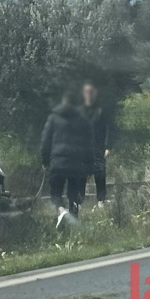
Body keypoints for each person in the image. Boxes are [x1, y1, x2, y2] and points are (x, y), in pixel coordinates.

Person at [40, 89, 94, 227]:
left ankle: (61, 211)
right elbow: (89, 144)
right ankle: (74, 222)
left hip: (57, 161)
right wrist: (89, 165)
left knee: (55, 192)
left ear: (63, 103)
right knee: (74, 194)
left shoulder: (53, 118)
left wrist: (45, 161)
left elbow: (45, 140)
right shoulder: (83, 120)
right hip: (76, 163)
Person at [80, 80, 112, 203]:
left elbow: (107, 128)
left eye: (90, 92)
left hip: (98, 148)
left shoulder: (100, 110)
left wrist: (107, 146)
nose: (88, 94)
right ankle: (79, 202)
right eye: (86, 92)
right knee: (81, 175)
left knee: (100, 174)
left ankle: (101, 201)